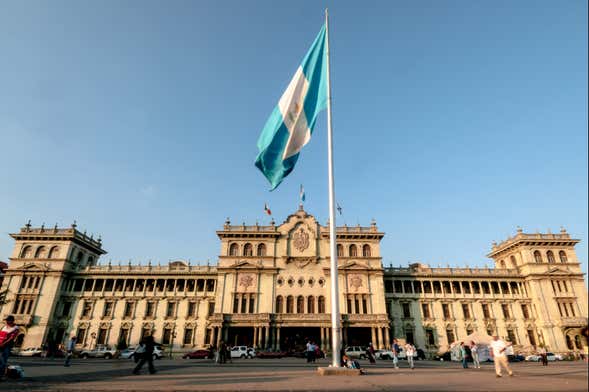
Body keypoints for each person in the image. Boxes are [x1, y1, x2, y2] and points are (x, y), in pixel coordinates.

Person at [0, 315, 20, 381]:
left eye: (8, 320)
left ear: (12, 321)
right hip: (0, 345)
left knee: (3, 361)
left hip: (6, 346)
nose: (6, 321)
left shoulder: (15, 328)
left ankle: (1, 376)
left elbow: (11, 338)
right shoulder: (4, 327)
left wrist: (3, 344)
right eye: (6, 320)